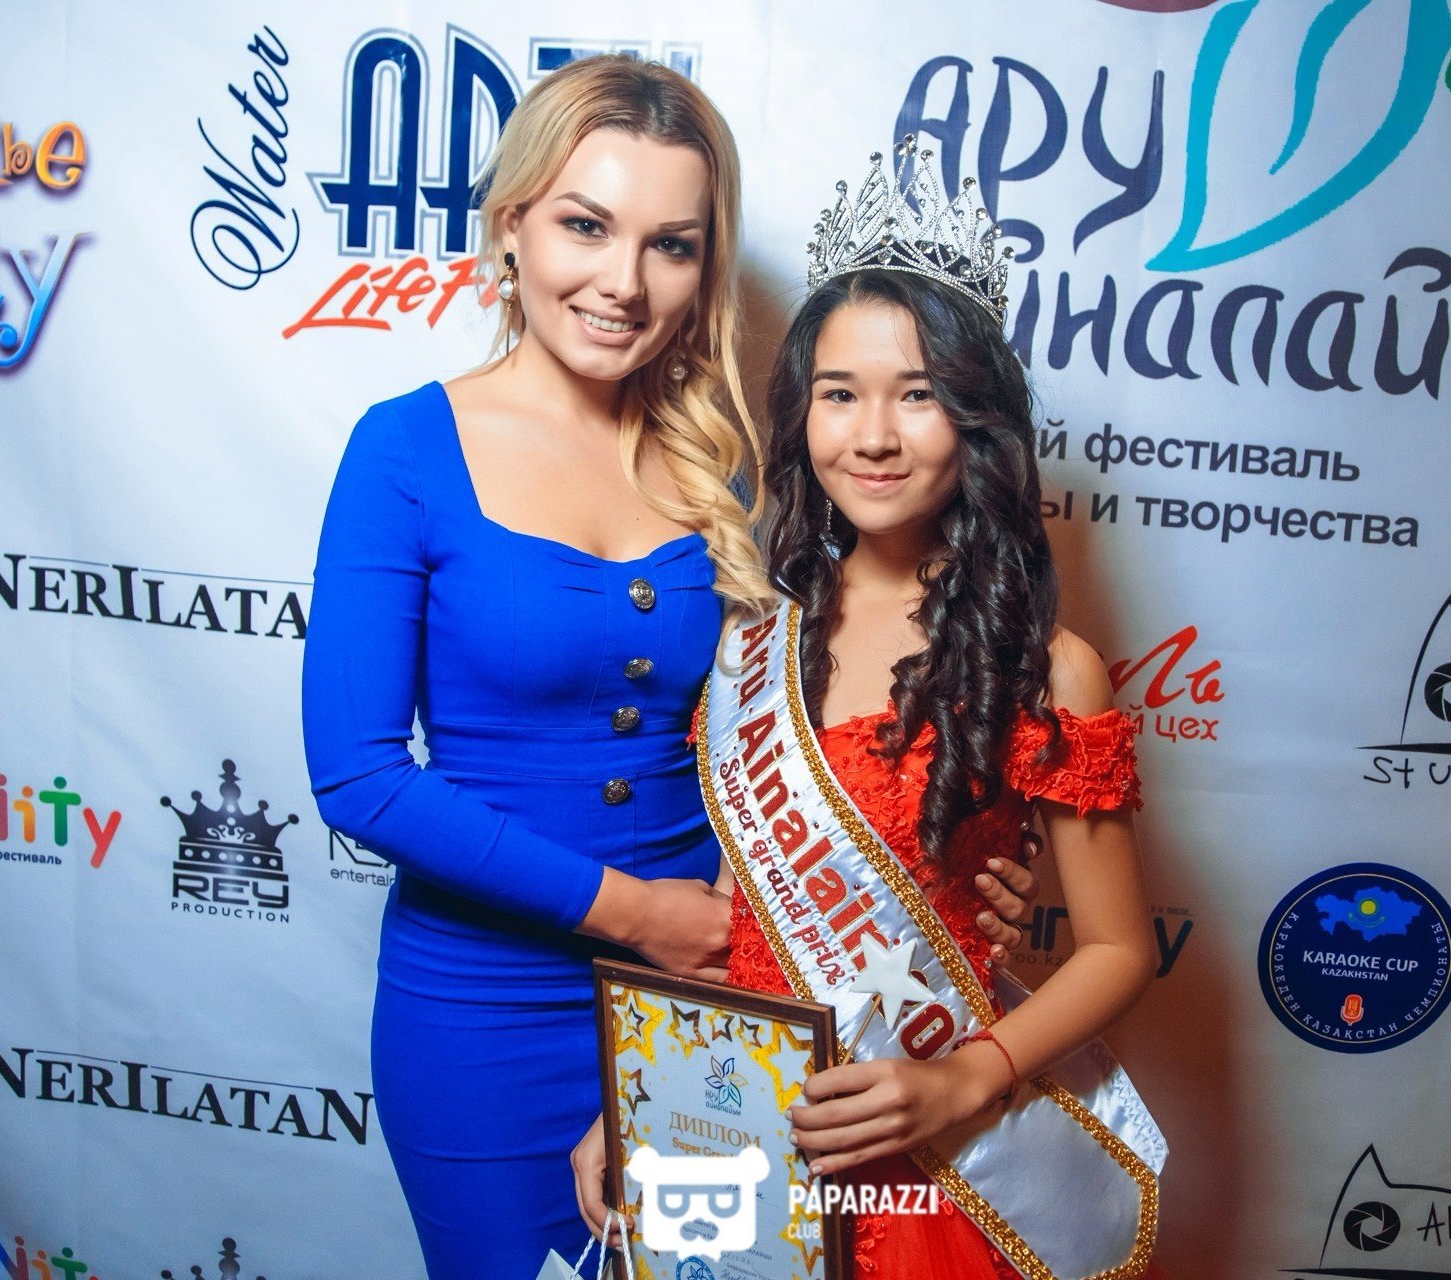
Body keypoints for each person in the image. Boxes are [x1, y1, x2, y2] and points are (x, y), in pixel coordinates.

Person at [300, 63, 1037, 1278]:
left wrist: (973, 861)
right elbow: (359, 776)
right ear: (511, 227)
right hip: (486, 1013)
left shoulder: (733, 464)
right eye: (586, 225)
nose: (624, 281)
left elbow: (844, 704)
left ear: (707, 265)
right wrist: (642, 917)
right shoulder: (404, 450)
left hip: (722, 1001)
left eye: (672, 244)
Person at [573, 143, 1162, 1278]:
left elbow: (1117, 949)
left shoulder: (1045, 666)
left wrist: (965, 1075)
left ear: (978, 418)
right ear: (802, 413)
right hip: (745, 1128)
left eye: (919, 395)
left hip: (929, 1137)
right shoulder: (754, 643)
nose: (874, 435)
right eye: (839, 394)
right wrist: (636, 1090)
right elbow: (739, 912)